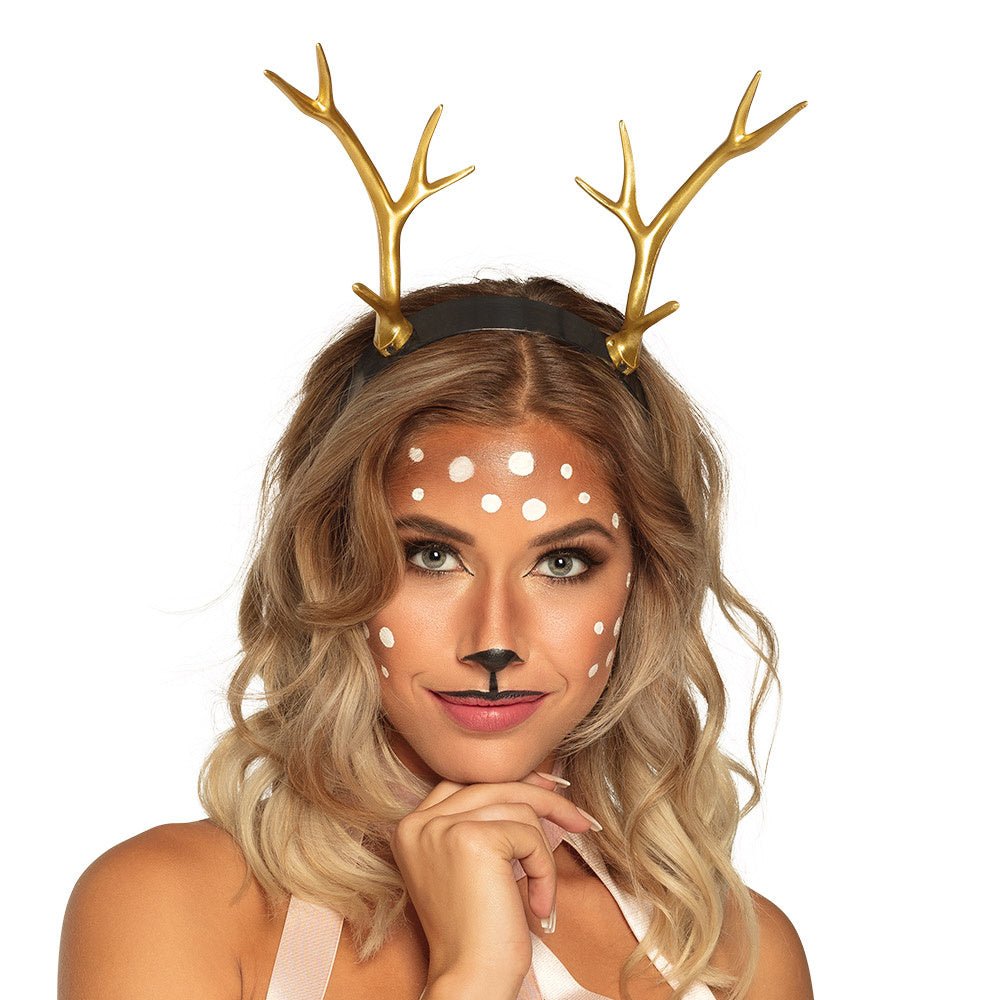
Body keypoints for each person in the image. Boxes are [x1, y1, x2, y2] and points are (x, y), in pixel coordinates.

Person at [58, 47, 813, 1000]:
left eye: (563, 564)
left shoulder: (734, 954)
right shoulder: (172, 906)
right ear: (335, 562)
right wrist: (471, 971)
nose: (494, 639)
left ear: (643, 583)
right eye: (429, 555)